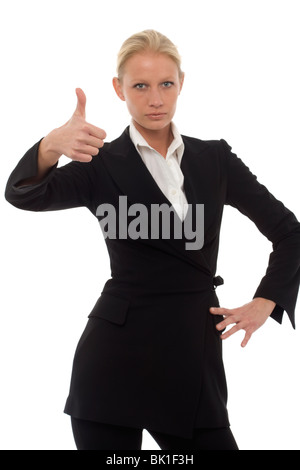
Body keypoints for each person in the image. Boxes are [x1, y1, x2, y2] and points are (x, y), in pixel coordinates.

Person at [5, 30, 300, 451]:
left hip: (191, 359)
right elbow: (23, 194)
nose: (155, 99)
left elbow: (289, 232)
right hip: (113, 362)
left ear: (182, 83)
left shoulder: (215, 159)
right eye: (140, 86)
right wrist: (51, 146)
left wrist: (267, 300)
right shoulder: (100, 163)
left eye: (166, 84)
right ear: (119, 90)